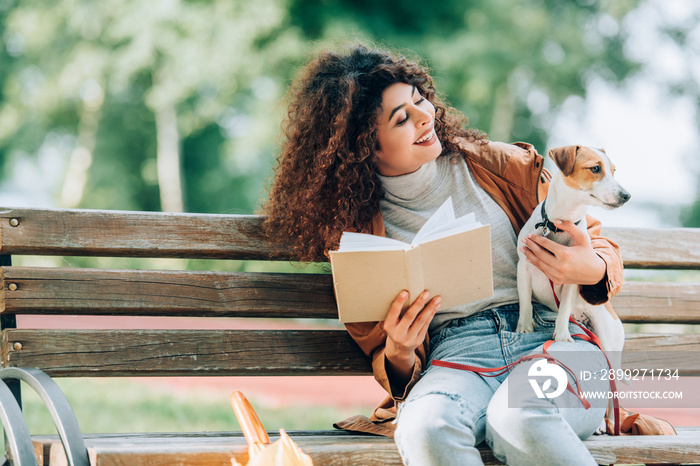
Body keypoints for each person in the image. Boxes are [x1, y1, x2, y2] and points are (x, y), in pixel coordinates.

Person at [261, 42, 622, 465]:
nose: (424, 117)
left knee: (521, 416)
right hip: (456, 355)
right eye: (402, 118)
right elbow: (384, 355)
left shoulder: (503, 166)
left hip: (554, 340)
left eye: (419, 100)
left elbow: (598, 243)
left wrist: (592, 266)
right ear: (365, 145)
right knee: (426, 429)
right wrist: (398, 350)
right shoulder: (355, 235)